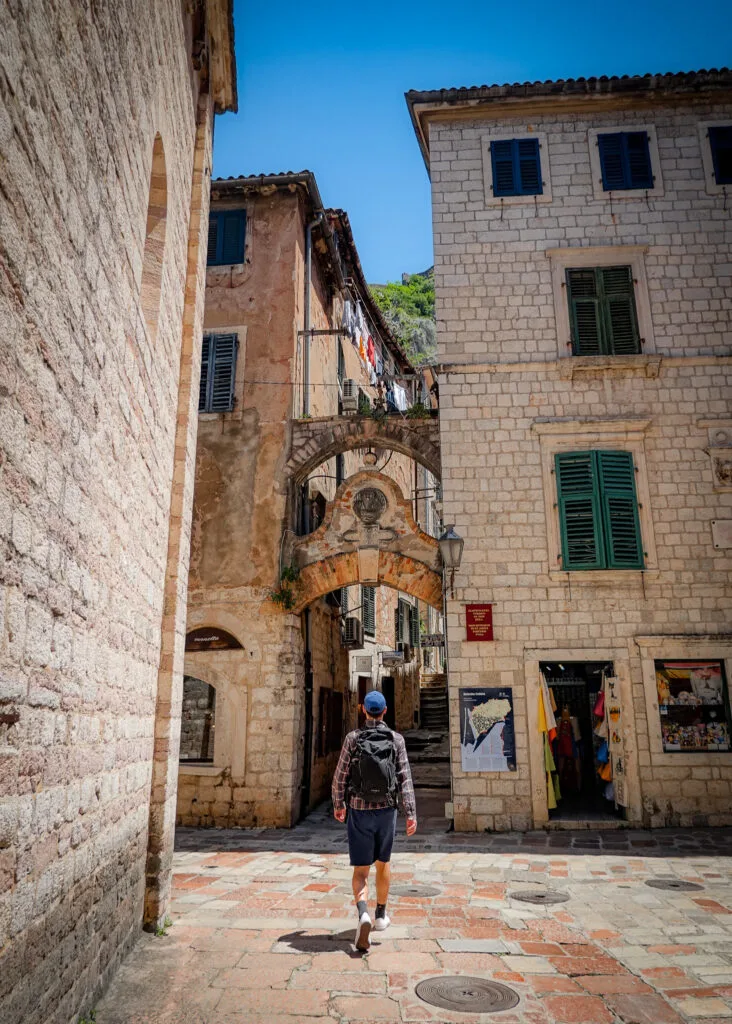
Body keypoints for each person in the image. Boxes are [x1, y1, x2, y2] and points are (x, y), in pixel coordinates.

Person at [332, 690, 417, 952]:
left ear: (363, 710)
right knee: (383, 863)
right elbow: (404, 776)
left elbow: (340, 775)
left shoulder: (353, 738)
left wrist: (338, 804)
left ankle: (363, 914)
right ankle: (380, 915)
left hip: (358, 809)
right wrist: (411, 812)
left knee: (360, 871)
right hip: (386, 811)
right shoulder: (396, 739)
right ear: (385, 711)